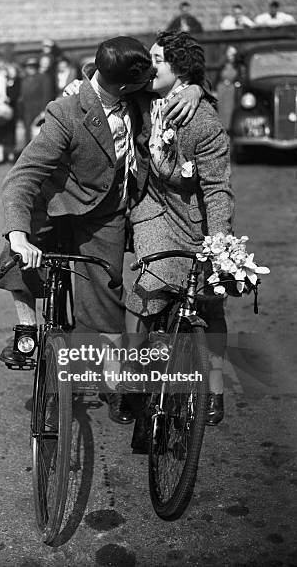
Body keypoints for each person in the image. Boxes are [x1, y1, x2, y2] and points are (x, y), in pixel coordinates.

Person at [0, 36, 203, 424]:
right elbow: (21, 178)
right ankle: (26, 328)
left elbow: (171, 81)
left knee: (106, 300)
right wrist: (19, 234)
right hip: (55, 206)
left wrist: (193, 89)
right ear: (125, 83)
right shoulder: (66, 112)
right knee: (17, 256)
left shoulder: (134, 94)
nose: (152, 78)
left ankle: (108, 381)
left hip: (105, 212)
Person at [125, 31, 234, 431]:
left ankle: (214, 386)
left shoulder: (201, 122)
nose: (148, 67)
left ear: (181, 69)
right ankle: (137, 384)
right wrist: (193, 88)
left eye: (158, 59)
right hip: (154, 208)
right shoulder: (143, 94)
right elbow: (100, 72)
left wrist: (219, 243)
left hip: (196, 216)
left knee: (208, 303)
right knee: (150, 289)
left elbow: (217, 189)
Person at [215, 45, 243, 132]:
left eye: (232, 53)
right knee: (221, 110)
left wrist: (234, 83)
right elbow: (216, 78)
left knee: (230, 111)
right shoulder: (223, 65)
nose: (230, 55)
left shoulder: (238, 67)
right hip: (221, 91)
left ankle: (230, 128)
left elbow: (240, 79)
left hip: (231, 91)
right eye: (229, 53)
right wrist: (215, 91)